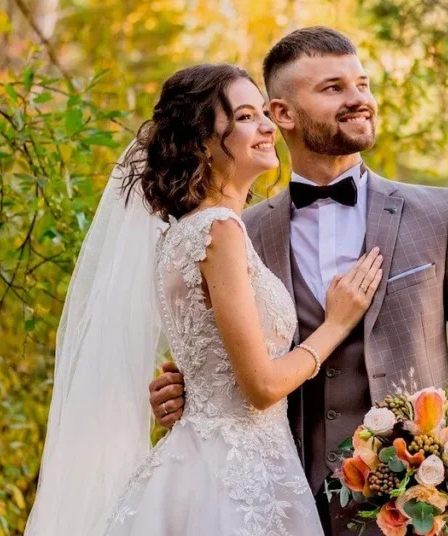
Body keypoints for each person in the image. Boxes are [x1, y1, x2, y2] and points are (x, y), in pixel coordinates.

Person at [147, 27, 448, 535]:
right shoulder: (237, 231)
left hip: (418, 514)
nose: (358, 100)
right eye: (333, 88)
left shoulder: (439, 214)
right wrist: (189, 390)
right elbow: (236, 362)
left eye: (362, 84)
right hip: (279, 501)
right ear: (283, 114)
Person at [25, 63, 384, 535]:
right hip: (235, 478)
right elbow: (258, 387)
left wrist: (184, 387)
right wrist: (335, 325)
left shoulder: (184, 234)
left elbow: (208, 361)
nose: (266, 127)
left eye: (263, 114)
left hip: (205, 460)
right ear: (202, 140)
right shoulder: (219, 231)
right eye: (244, 117)